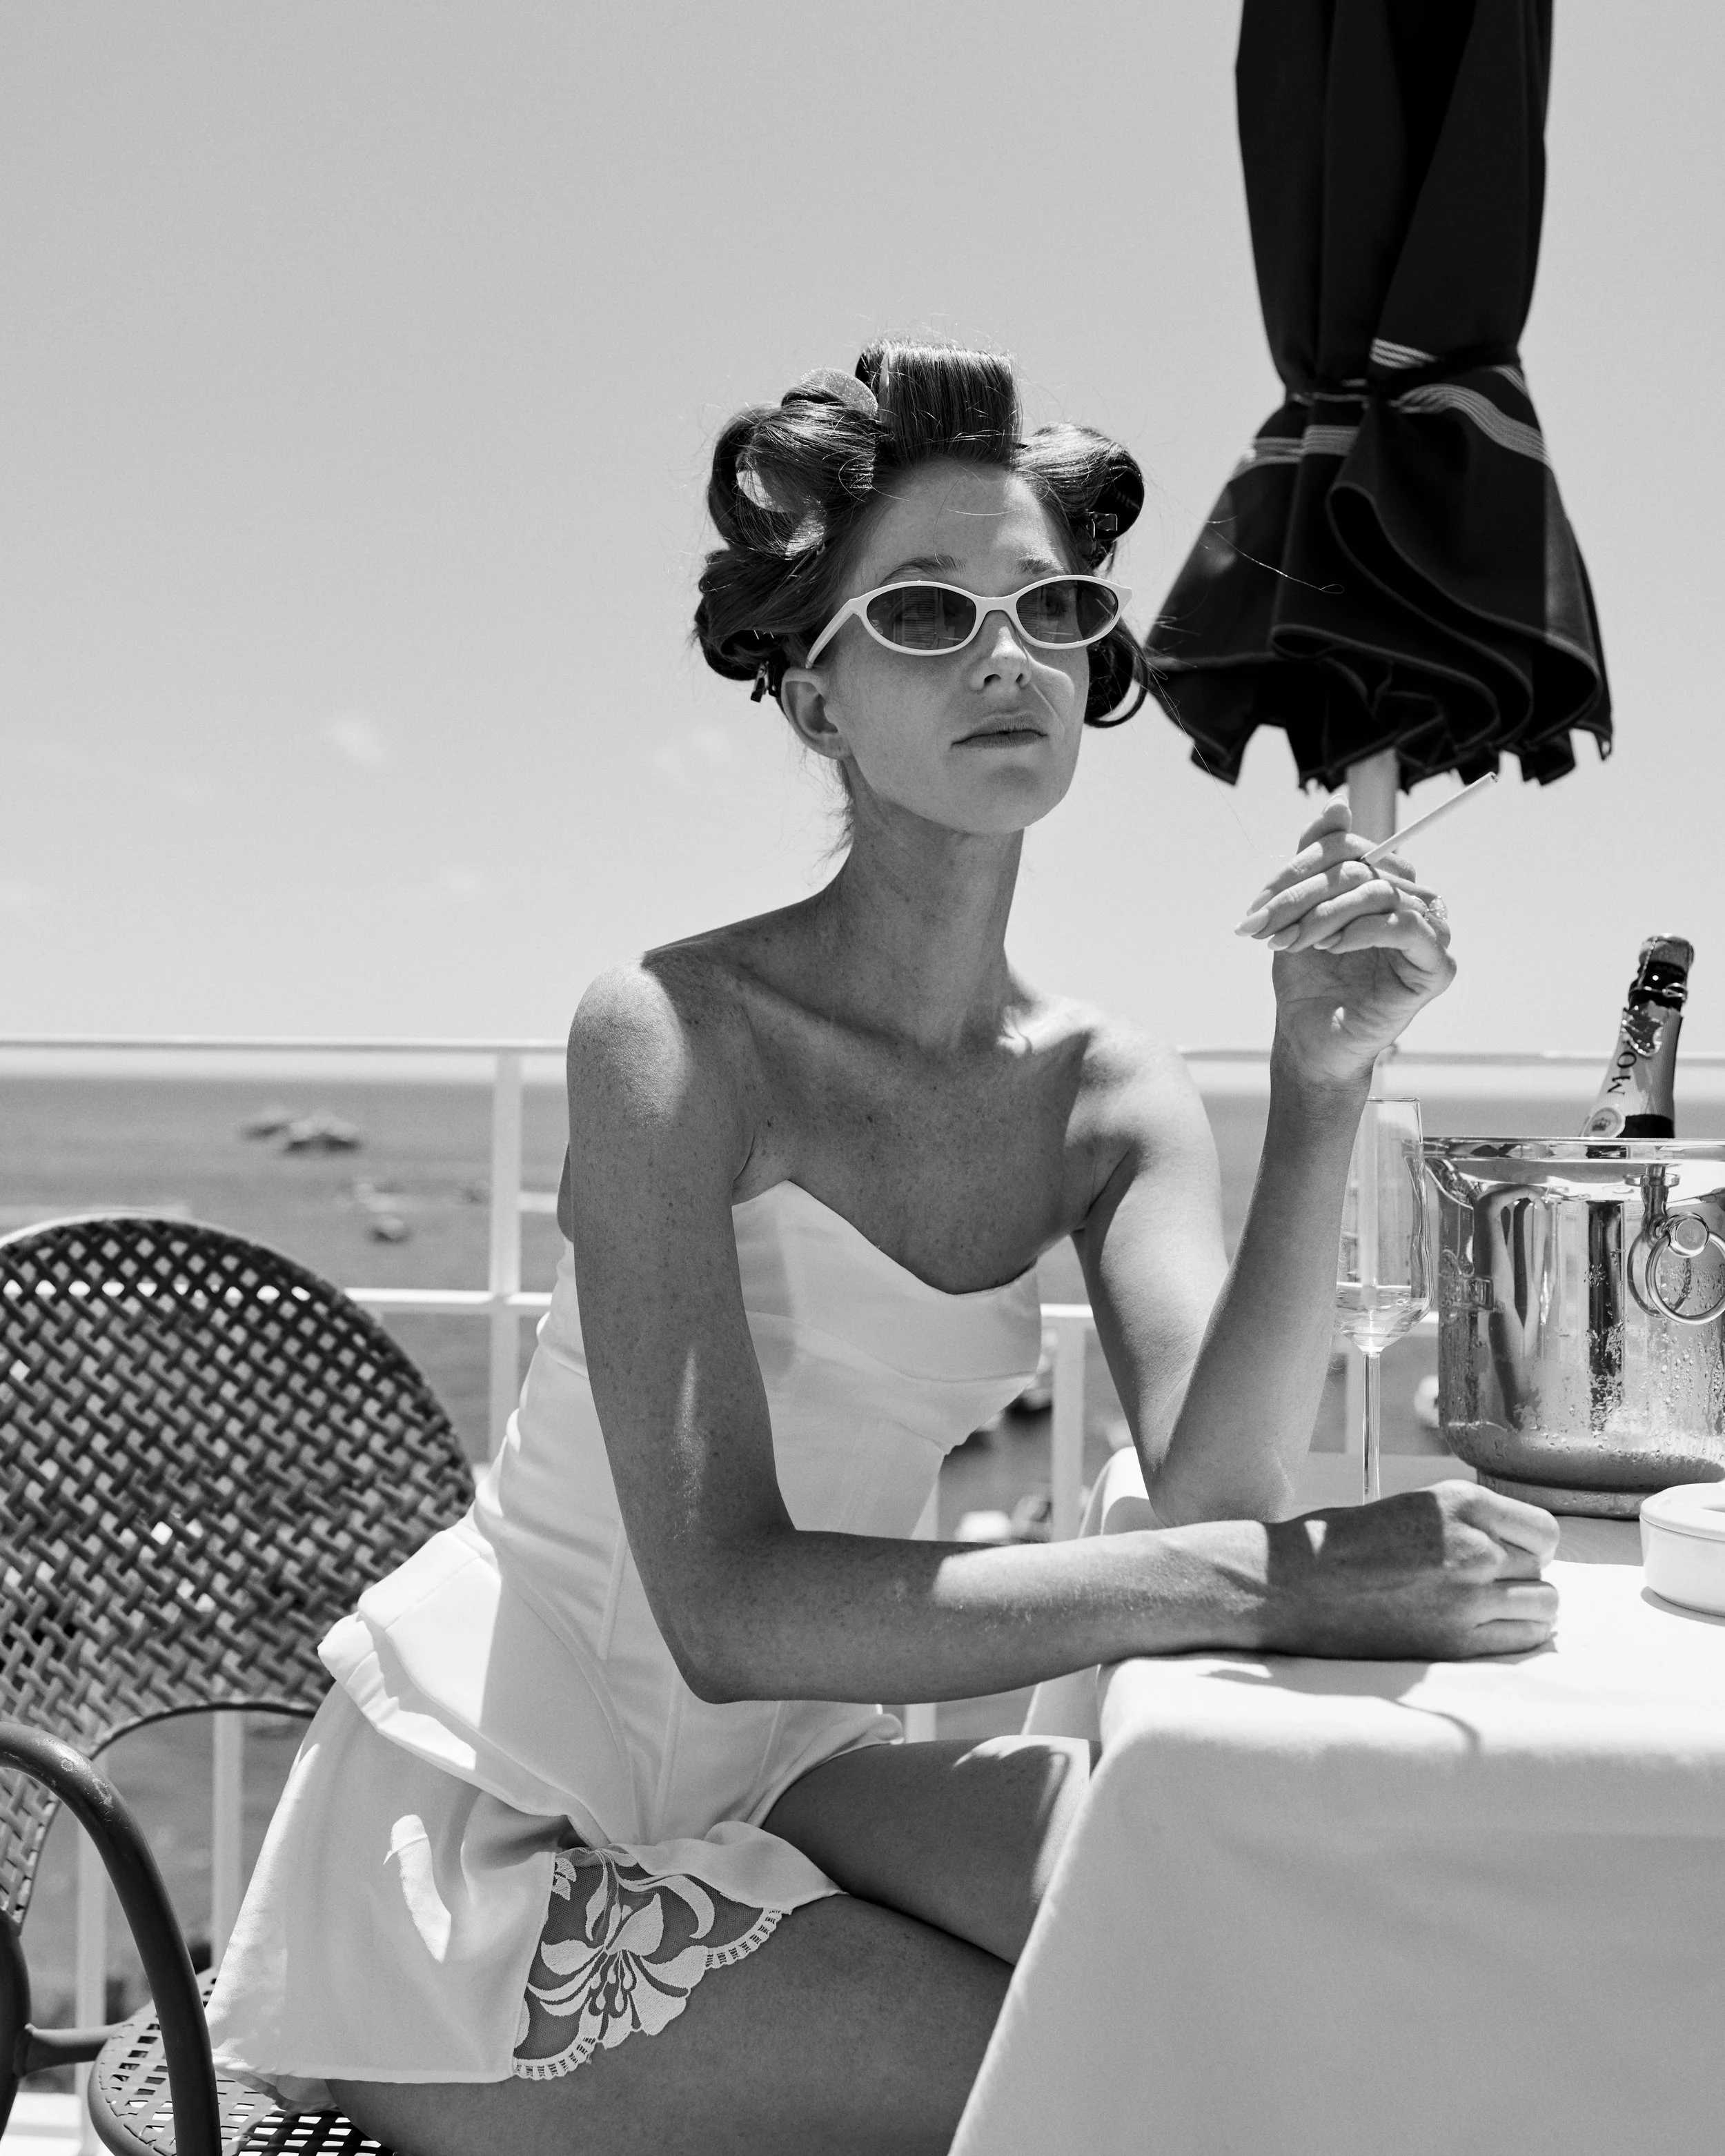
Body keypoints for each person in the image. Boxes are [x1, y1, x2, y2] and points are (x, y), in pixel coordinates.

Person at [206, 341, 1559, 2156]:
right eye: (923, 612)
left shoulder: (1110, 1092)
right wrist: (1278, 1583)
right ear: (813, 698)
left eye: (1049, 607)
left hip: (800, 1775)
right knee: (1121, 2086)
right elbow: (729, 1609)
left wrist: (1318, 1087)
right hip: (494, 1827)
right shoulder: (671, 1034)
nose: (1006, 654)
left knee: (1281, 1947)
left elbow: (1214, 1485)